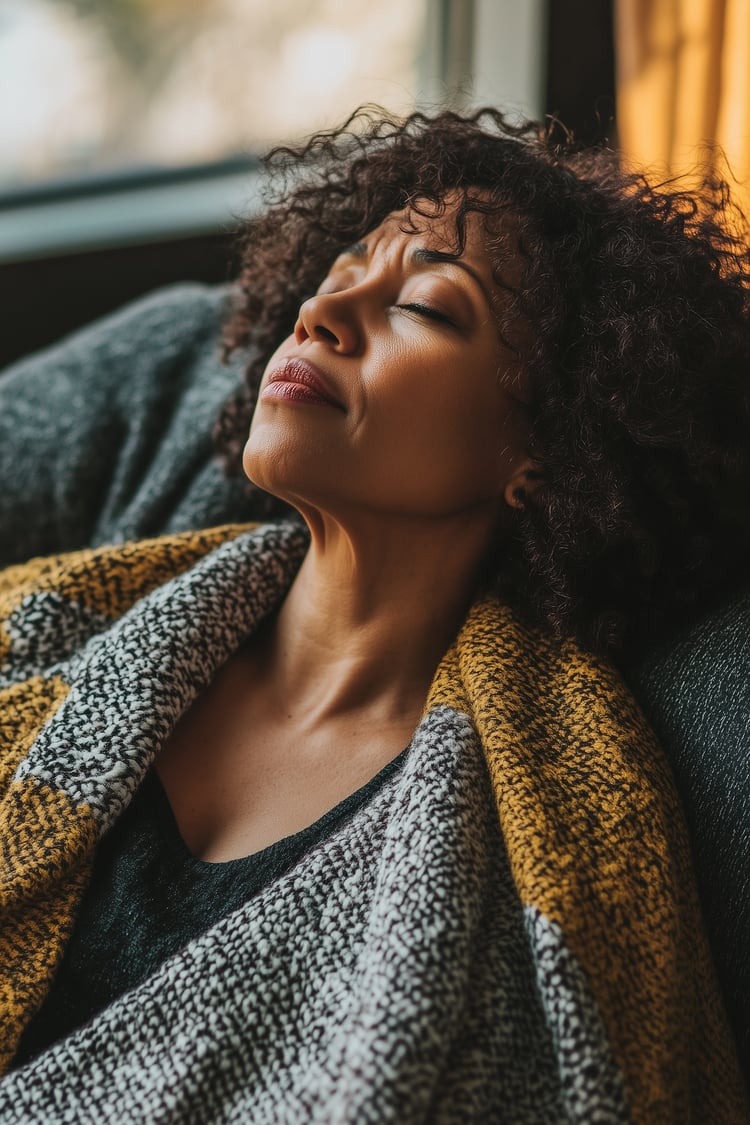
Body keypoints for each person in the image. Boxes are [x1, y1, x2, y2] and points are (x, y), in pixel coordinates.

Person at [0, 107, 748, 1122]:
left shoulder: (566, 820)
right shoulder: (61, 627)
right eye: (341, 270)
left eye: (427, 308)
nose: (327, 314)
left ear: (542, 450)